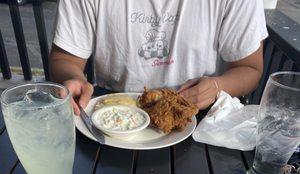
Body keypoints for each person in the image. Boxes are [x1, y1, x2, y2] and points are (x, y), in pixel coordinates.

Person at [49, 0, 268, 115]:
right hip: (108, 112)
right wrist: (73, 79)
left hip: (198, 115)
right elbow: (65, 60)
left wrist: (218, 86)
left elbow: (249, 68)